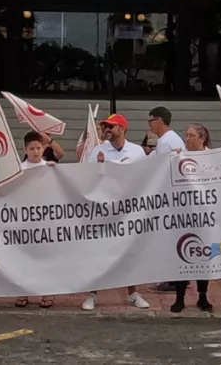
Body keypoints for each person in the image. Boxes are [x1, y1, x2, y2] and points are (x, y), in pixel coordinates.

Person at [82, 114, 150, 310]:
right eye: (106, 126)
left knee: (129, 252)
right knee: (98, 251)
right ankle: (93, 293)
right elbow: (86, 176)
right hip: (103, 208)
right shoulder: (98, 150)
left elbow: (146, 176)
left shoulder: (137, 151)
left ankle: (132, 293)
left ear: (122, 128)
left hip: (129, 209)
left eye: (111, 126)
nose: (107, 129)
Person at [170, 123, 215, 313]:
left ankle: (202, 297)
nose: (187, 138)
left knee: (203, 256)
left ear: (202, 137)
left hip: (206, 214)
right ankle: (179, 298)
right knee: (181, 254)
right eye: (186, 135)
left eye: (191, 135)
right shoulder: (180, 157)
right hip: (183, 214)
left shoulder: (214, 158)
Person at [16, 131, 56, 309]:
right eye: (31, 149)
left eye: (38, 148)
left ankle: (46, 292)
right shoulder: (18, 169)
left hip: (44, 221)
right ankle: (22, 292)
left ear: (43, 148)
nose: (35, 152)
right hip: (23, 221)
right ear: (25, 149)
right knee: (22, 257)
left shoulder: (50, 168)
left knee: (45, 257)